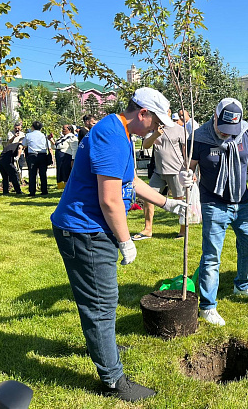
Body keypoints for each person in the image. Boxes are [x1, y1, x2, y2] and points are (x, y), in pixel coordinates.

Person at [50, 88, 187, 402]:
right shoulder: (112, 135)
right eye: (155, 122)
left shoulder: (121, 131)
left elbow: (130, 182)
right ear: (142, 113)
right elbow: (110, 199)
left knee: (100, 300)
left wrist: (168, 204)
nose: (157, 129)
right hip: (85, 232)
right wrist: (126, 242)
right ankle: (114, 382)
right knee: (101, 303)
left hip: (89, 229)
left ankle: (103, 345)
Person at [177, 98, 248, 326]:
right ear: (215, 117)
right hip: (213, 203)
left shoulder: (245, 131)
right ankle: (208, 306)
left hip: (242, 201)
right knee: (211, 256)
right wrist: (186, 176)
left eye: (232, 130)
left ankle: (242, 285)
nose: (228, 134)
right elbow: (189, 167)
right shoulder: (198, 137)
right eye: (224, 129)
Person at [131, 117, 187, 240]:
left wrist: (188, 169)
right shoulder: (154, 128)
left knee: (180, 201)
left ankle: (183, 231)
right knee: (148, 198)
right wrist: (156, 133)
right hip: (158, 171)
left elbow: (186, 151)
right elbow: (145, 145)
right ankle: (148, 229)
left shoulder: (178, 129)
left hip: (176, 171)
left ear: (169, 113)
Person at [22, 121, 49, 197]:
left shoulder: (28, 135)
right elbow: (47, 146)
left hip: (32, 155)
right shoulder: (44, 135)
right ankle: (44, 190)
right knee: (43, 174)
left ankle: (32, 191)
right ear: (41, 128)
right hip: (43, 155)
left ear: (32, 127)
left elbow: (24, 145)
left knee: (32, 173)